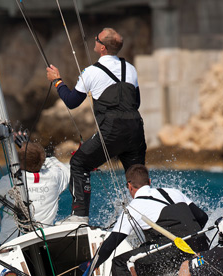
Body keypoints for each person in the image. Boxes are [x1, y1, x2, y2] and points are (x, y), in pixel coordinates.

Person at [68, 165, 208, 276]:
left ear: (129, 186)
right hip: (201, 246)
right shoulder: (173, 192)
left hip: (176, 250)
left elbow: (110, 244)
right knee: (143, 256)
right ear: (149, 181)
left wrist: (92, 264)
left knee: (121, 262)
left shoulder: (135, 206)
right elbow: (202, 217)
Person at [46, 27, 147, 224]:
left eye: (96, 39)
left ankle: (80, 216)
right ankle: (144, 215)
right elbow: (136, 102)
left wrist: (57, 81)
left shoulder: (91, 72)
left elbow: (72, 101)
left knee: (78, 163)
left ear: (101, 48)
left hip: (112, 131)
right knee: (136, 176)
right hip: (136, 130)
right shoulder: (130, 69)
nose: (94, 40)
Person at [0, 134, 70, 246]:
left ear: (19, 161)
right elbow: (54, 162)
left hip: (13, 245)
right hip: (43, 242)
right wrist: (30, 148)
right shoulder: (55, 175)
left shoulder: (10, 181)